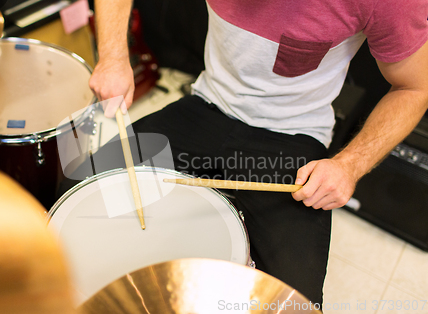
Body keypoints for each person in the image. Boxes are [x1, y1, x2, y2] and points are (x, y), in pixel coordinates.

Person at [88, 0, 428, 307]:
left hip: (291, 136)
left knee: (292, 303)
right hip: (207, 104)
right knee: (80, 190)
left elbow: (415, 87)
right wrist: (114, 55)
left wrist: (349, 165)